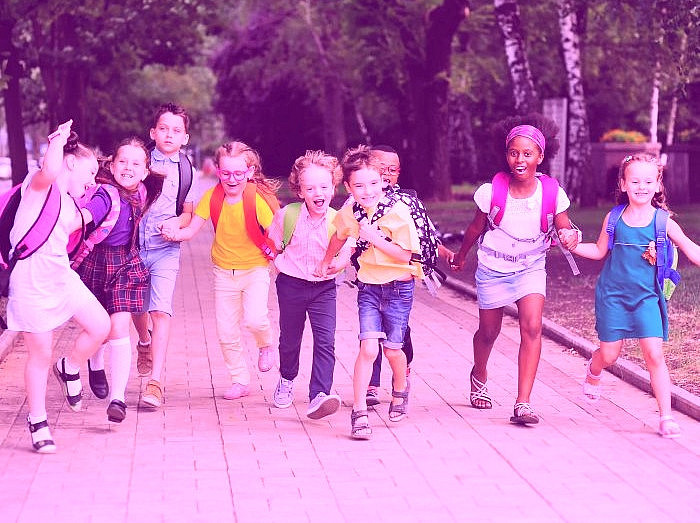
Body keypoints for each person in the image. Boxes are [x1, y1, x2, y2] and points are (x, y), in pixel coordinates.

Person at [451, 115, 579, 425]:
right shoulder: (490, 191)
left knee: (532, 327)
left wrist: (570, 234)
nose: (519, 159)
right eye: (513, 153)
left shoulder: (552, 192)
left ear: (540, 156)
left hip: (531, 267)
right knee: (489, 332)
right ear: (507, 154)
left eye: (527, 153)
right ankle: (478, 373)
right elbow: (475, 228)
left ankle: (523, 402)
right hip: (493, 268)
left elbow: (566, 227)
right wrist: (462, 254)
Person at [572, 154, 700, 439]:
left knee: (654, 355)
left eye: (648, 181)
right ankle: (593, 372)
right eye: (635, 181)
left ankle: (666, 418)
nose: (641, 186)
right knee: (609, 354)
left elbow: (692, 250)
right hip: (613, 296)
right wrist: (572, 245)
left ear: (657, 185)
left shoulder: (663, 221)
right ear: (623, 184)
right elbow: (598, 251)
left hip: (646, 299)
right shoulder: (614, 217)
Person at [6, 120, 110, 452]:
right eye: (90, 171)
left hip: (61, 277)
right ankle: (37, 421)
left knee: (101, 326)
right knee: (40, 354)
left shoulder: (68, 203)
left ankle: (71, 366)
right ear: (70, 161)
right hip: (32, 282)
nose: (92, 180)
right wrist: (58, 140)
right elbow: (49, 171)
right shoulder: (37, 188)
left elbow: (83, 222)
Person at [316, 145, 420, 439]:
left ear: (383, 182)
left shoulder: (398, 212)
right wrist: (327, 262)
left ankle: (400, 388)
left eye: (374, 183)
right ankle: (359, 411)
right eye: (359, 185)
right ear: (348, 187)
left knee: (393, 350)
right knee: (368, 348)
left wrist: (374, 237)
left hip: (399, 288)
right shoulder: (350, 211)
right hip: (369, 289)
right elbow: (339, 236)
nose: (368, 190)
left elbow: (405, 255)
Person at [162, 141, 279, 400]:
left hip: (256, 269)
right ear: (217, 170)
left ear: (249, 172)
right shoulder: (212, 197)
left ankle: (265, 344)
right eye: (226, 173)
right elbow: (192, 230)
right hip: (223, 273)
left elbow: (276, 233)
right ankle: (240, 380)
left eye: (239, 173)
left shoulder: (255, 199)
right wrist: (174, 233)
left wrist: (286, 258)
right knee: (226, 331)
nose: (232, 179)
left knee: (255, 318)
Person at [76, 138, 165, 423]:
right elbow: (89, 215)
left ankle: (118, 399)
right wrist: (74, 219)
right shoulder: (105, 194)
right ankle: (95, 363)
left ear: (145, 171)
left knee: (119, 326)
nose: (128, 167)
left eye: (136, 163)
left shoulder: (142, 190)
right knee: (99, 326)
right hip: (96, 261)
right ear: (112, 165)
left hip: (125, 263)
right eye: (122, 161)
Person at [365, 145, 455, 407]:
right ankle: (372, 384)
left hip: (400, 279)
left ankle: (401, 375)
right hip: (370, 277)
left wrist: (441, 250)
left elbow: (423, 234)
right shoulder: (361, 199)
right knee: (371, 332)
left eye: (393, 170)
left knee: (398, 330)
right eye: (382, 169)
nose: (387, 175)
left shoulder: (407, 201)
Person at [266, 150, 350, 419]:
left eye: (324, 186)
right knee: (290, 339)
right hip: (290, 285)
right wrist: (271, 269)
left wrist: (338, 265)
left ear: (333, 188)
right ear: (300, 191)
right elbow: (274, 245)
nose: (318, 192)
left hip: (324, 288)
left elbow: (347, 253)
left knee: (325, 341)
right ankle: (287, 378)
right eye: (310, 187)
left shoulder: (339, 220)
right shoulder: (287, 215)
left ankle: (319, 395)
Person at [132, 103, 196, 408]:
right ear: (153, 132)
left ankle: (155, 382)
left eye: (176, 130)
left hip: (166, 250)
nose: (169, 134)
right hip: (132, 247)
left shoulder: (187, 170)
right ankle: (143, 342)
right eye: (164, 128)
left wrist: (178, 223)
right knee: (135, 307)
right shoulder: (139, 161)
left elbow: (188, 213)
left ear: (185, 137)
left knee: (160, 310)